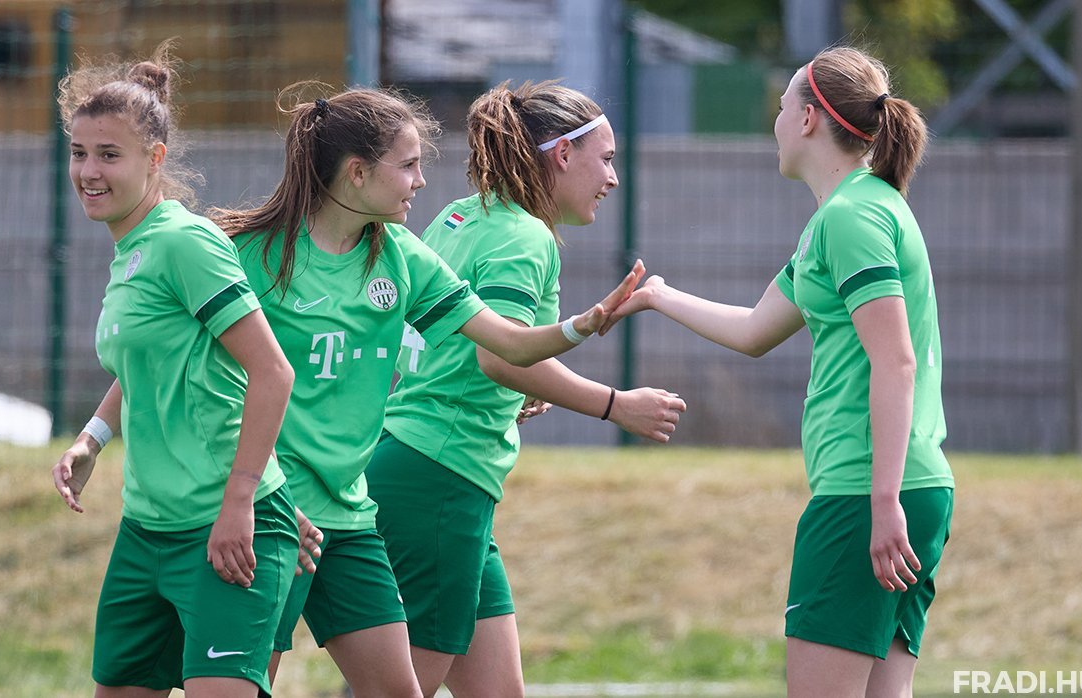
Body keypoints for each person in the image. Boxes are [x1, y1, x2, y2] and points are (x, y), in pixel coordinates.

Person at [211, 84, 643, 698]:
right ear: (358, 173)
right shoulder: (256, 254)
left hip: (380, 489)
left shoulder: (428, 235)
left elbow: (490, 343)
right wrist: (615, 403)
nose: (420, 181)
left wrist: (579, 328)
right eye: (409, 165)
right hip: (397, 482)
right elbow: (500, 358)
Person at [602, 47, 955, 697]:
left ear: (809, 119)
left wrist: (882, 503)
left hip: (864, 492)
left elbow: (896, 360)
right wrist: (658, 296)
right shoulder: (848, 213)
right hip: (906, 488)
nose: (776, 120)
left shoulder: (851, 217)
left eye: (784, 105)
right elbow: (755, 329)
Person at [365, 80, 688, 698]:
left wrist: (514, 392)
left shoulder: (462, 216)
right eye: (606, 158)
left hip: (426, 466)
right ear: (563, 154)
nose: (613, 178)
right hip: (441, 474)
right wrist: (617, 405)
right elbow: (501, 357)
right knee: (400, 689)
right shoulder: (526, 236)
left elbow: (466, 349)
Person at [48, 42, 308, 698]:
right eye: (79, 153)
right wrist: (92, 440)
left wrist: (239, 502)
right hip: (145, 531)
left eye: (109, 155)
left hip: (226, 526)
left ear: (155, 159)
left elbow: (273, 373)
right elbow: (144, 364)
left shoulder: (183, 242)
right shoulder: (131, 250)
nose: (89, 171)